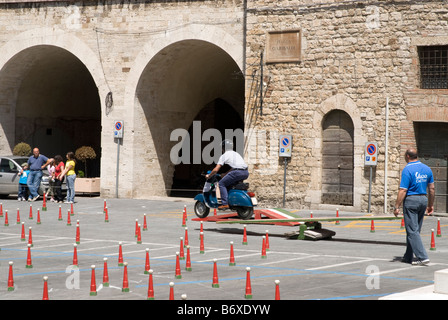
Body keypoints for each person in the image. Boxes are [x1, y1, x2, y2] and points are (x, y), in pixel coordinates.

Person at [393, 147, 435, 266]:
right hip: (423, 199)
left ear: (407, 156)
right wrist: (430, 204)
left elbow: (403, 190)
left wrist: (396, 206)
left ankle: (423, 257)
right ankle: (408, 256)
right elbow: (431, 189)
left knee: (412, 231)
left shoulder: (407, 169)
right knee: (414, 230)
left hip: (411, 201)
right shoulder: (427, 169)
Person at [205, 139, 249, 210]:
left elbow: (216, 169)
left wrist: (209, 175)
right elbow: (234, 167)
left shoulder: (224, 155)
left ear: (223, 148)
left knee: (221, 184)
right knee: (231, 185)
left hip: (237, 172)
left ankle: (225, 204)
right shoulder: (236, 153)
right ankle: (233, 201)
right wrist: (225, 174)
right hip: (245, 172)